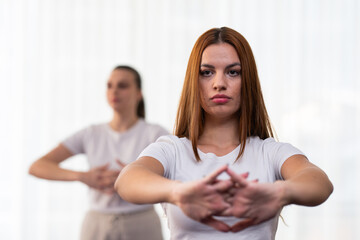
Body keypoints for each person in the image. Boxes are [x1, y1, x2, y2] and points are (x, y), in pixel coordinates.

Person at [114, 27, 334, 240]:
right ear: (194, 81)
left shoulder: (270, 151)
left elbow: (320, 183)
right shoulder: (171, 149)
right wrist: (177, 193)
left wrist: (280, 193)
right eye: (207, 72)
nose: (219, 83)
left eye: (233, 72)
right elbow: (127, 180)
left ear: (246, 81)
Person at [29, 65, 167, 240]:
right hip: (96, 226)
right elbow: (37, 167)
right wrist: (83, 176)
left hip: (142, 224)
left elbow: (179, 177)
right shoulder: (91, 134)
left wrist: (138, 177)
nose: (114, 90)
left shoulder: (155, 134)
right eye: (109, 85)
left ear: (139, 93)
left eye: (122, 85)